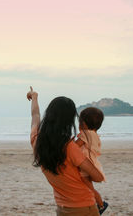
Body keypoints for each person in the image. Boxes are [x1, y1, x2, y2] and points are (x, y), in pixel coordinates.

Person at [27, 87, 104, 216]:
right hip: (84, 207)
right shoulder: (70, 147)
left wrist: (34, 97)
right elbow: (98, 177)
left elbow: (35, 115)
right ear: (69, 121)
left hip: (62, 208)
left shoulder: (36, 140)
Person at [75, 107, 108, 214]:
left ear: (83, 123)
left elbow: (75, 147)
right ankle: (100, 204)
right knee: (89, 187)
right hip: (93, 164)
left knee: (89, 188)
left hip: (86, 165)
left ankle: (101, 205)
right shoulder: (95, 135)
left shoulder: (86, 134)